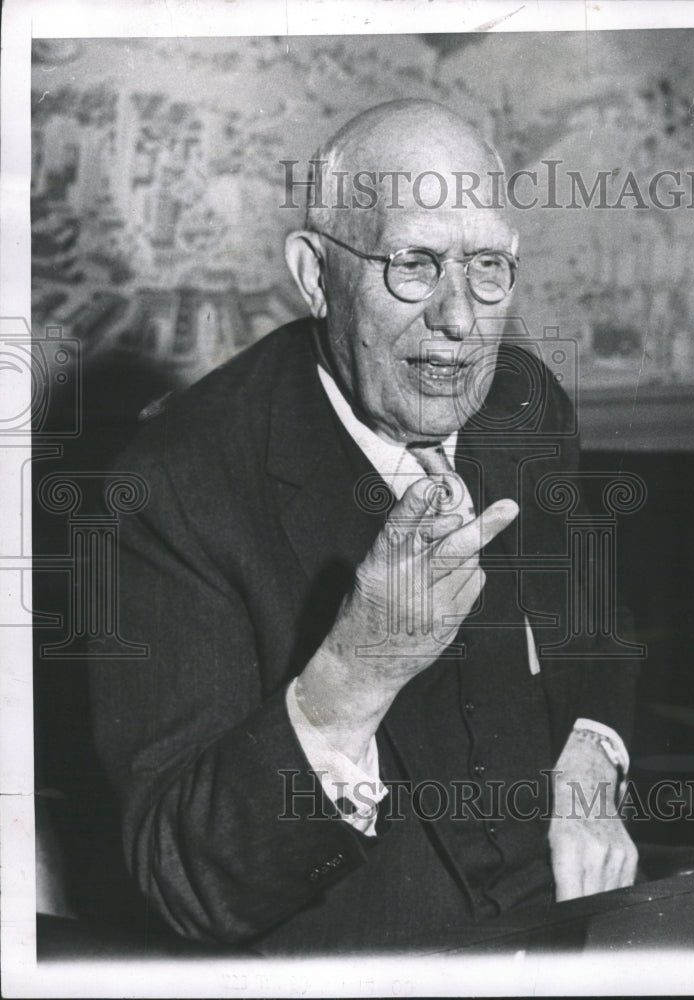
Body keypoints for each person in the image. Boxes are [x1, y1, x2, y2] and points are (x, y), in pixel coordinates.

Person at [89, 100, 639, 953]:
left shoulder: (525, 406)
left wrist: (590, 759)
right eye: (415, 263)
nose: (459, 318)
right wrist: (353, 675)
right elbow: (185, 879)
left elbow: (591, 629)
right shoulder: (171, 488)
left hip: (565, 932)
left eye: (488, 264)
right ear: (314, 274)